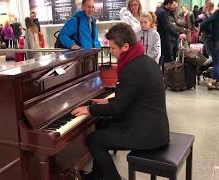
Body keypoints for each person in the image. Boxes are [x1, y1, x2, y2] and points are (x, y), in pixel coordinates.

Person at [72, 23, 170, 180]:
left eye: (112, 49)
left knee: (94, 140)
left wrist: (90, 109)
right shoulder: (144, 60)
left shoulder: (131, 68)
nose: (111, 52)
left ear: (125, 46)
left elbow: (118, 108)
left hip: (147, 134)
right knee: (103, 124)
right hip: (154, 125)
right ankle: (98, 175)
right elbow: (130, 97)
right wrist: (105, 103)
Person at [155, 0, 186, 70]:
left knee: (164, 58)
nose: (174, 7)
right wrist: (178, 35)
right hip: (164, 38)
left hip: (163, 38)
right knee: (166, 59)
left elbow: (179, 22)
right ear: (169, 4)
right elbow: (167, 27)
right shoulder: (162, 12)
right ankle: (166, 77)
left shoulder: (161, 10)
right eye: (173, 5)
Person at [200, 7, 219, 89]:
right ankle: (215, 81)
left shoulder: (217, 14)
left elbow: (203, 24)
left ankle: (214, 81)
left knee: (217, 63)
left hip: (216, 42)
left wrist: (209, 32)